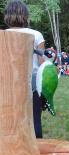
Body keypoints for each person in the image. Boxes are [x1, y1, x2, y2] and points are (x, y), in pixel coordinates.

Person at [4, 0, 45, 138]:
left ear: (7, 16)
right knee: (34, 122)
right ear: (26, 16)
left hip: (5, 86)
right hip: (31, 85)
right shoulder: (36, 35)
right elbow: (42, 65)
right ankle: (36, 150)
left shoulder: (2, 35)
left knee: (7, 123)